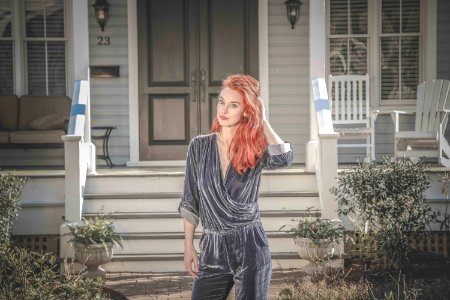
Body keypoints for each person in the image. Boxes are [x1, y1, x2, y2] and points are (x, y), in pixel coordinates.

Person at [178, 74, 293, 299]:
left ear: (246, 110)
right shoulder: (199, 147)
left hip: (250, 246)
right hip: (212, 248)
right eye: (222, 102)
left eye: (233, 105)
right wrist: (188, 246)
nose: (224, 110)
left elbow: (284, 158)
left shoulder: (255, 147)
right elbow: (190, 199)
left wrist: (264, 121)